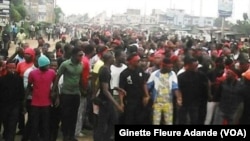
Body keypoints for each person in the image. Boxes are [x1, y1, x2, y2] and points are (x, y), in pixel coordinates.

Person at [52, 47, 84, 141]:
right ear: (74, 55)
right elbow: (57, 78)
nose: (81, 57)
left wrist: (83, 90)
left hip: (76, 93)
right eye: (80, 55)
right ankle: (65, 135)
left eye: (82, 55)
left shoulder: (81, 65)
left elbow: (80, 78)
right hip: (66, 94)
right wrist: (54, 91)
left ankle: (71, 135)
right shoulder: (65, 64)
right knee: (66, 115)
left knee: (74, 115)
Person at [94, 51, 125, 141]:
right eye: (112, 58)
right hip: (105, 101)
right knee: (103, 122)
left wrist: (116, 88)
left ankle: (105, 138)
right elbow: (105, 90)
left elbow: (104, 84)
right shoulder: (105, 71)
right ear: (109, 59)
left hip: (106, 100)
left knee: (113, 120)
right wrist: (117, 105)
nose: (114, 59)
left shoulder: (106, 69)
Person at [24, 55, 56, 141]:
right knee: (34, 125)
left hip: (47, 103)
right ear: (42, 65)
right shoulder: (33, 73)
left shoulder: (52, 72)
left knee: (45, 125)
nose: (49, 67)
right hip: (35, 103)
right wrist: (24, 101)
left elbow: (55, 83)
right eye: (47, 65)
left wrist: (53, 91)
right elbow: (28, 87)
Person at [147, 57, 182, 125]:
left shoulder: (172, 74)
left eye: (171, 67)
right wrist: (147, 96)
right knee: (156, 122)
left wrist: (178, 98)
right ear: (163, 66)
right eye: (169, 67)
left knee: (168, 122)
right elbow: (148, 86)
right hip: (157, 102)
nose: (171, 69)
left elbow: (175, 87)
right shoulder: (154, 74)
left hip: (168, 102)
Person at [119, 53, 150, 124]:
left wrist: (146, 95)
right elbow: (121, 90)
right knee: (130, 119)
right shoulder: (124, 74)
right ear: (132, 62)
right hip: (130, 101)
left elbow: (144, 83)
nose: (140, 62)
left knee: (140, 119)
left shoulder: (140, 70)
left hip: (140, 100)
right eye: (138, 61)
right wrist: (121, 103)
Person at [177, 57, 209, 124]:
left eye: (197, 66)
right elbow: (178, 89)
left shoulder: (201, 75)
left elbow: (206, 85)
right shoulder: (181, 76)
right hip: (184, 101)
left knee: (194, 119)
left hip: (196, 102)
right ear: (188, 66)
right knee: (182, 120)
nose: (196, 68)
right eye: (194, 66)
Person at [0, 63, 24, 141]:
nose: (12, 70)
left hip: (15, 106)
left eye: (13, 68)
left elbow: (21, 92)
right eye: (10, 68)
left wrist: (21, 105)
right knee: (6, 123)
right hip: (4, 106)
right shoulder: (1, 79)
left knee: (13, 124)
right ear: (7, 69)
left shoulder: (19, 79)